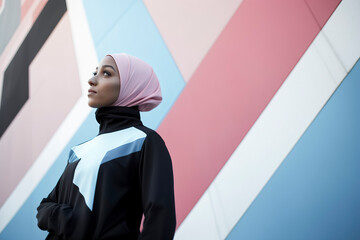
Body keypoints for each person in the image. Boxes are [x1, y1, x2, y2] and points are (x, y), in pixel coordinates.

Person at [36, 53, 176, 240]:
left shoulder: (145, 141)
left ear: (131, 85)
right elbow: (45, 206)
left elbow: (160, 216)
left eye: (106, 74)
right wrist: (68, 220)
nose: (92, 80)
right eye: (95, 72)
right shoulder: (79, 151)